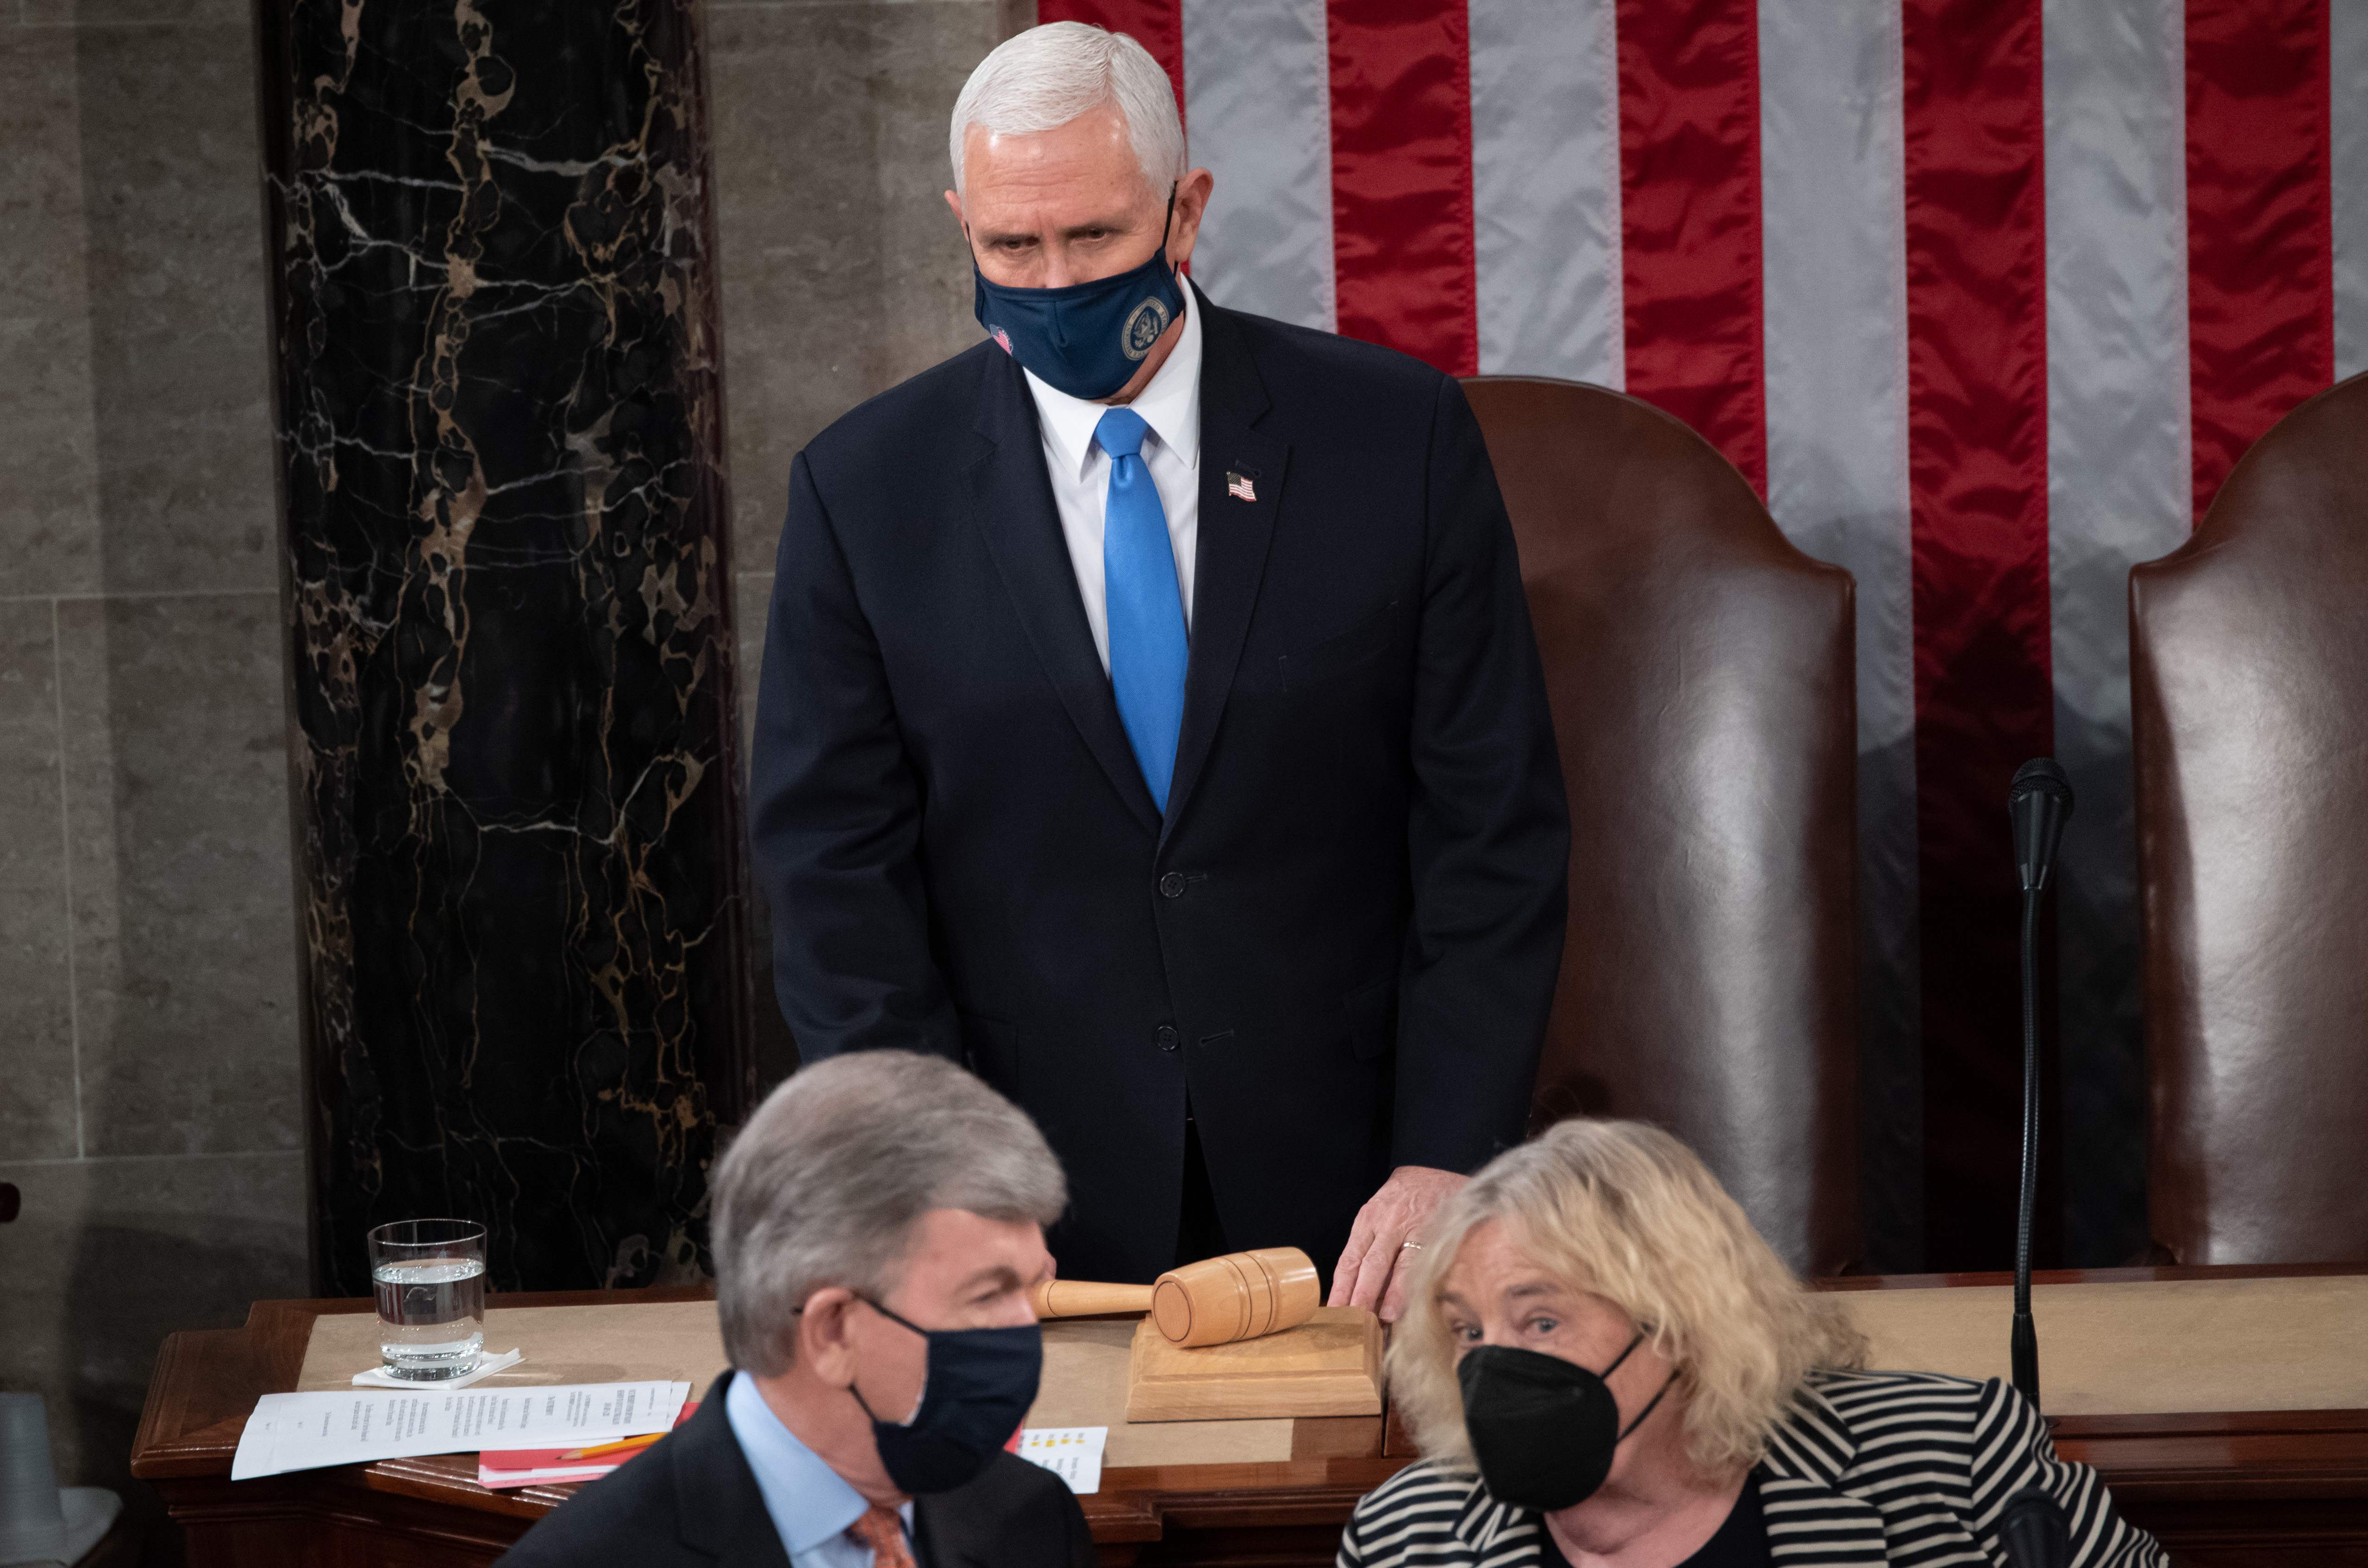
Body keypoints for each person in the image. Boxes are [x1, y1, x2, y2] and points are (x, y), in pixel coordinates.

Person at [748, 20, 1568, 1310]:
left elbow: (1491, 832)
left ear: (1184, 215)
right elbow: (834, 880)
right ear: (961, 221)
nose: (1052, 280)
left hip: (1359, 1204)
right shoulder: (864, 492)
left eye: (1094, 239)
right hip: (1024, 1212)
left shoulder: (1392, 441)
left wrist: (1443, 1156)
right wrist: (925, 1192)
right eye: (1011, 246)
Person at [1340, 1120, 2168, 1568]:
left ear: (1682, 1317)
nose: (1494, 1361)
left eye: (1542, 1320)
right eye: (1466, 1329)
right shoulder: (1407, 1539)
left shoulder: (1954, 1464)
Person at [502, 1052, 1093, 1568]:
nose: (1026, 1329)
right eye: (988, 1296)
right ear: (834, 1332)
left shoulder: (1032, 1518)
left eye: (1032, 1287)